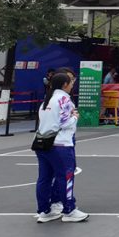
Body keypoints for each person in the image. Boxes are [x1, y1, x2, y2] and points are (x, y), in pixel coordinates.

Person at [35, 72, 88, 223]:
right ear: (65, 84)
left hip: (42, 143)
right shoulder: (64, 99)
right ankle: (69, 209)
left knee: (44, 178)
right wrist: (75, 117)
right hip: (60, 144)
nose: (72, 85)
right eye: (71, 82)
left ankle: (45, 210)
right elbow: (65, 123)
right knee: (66, 176)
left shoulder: (47, 100)